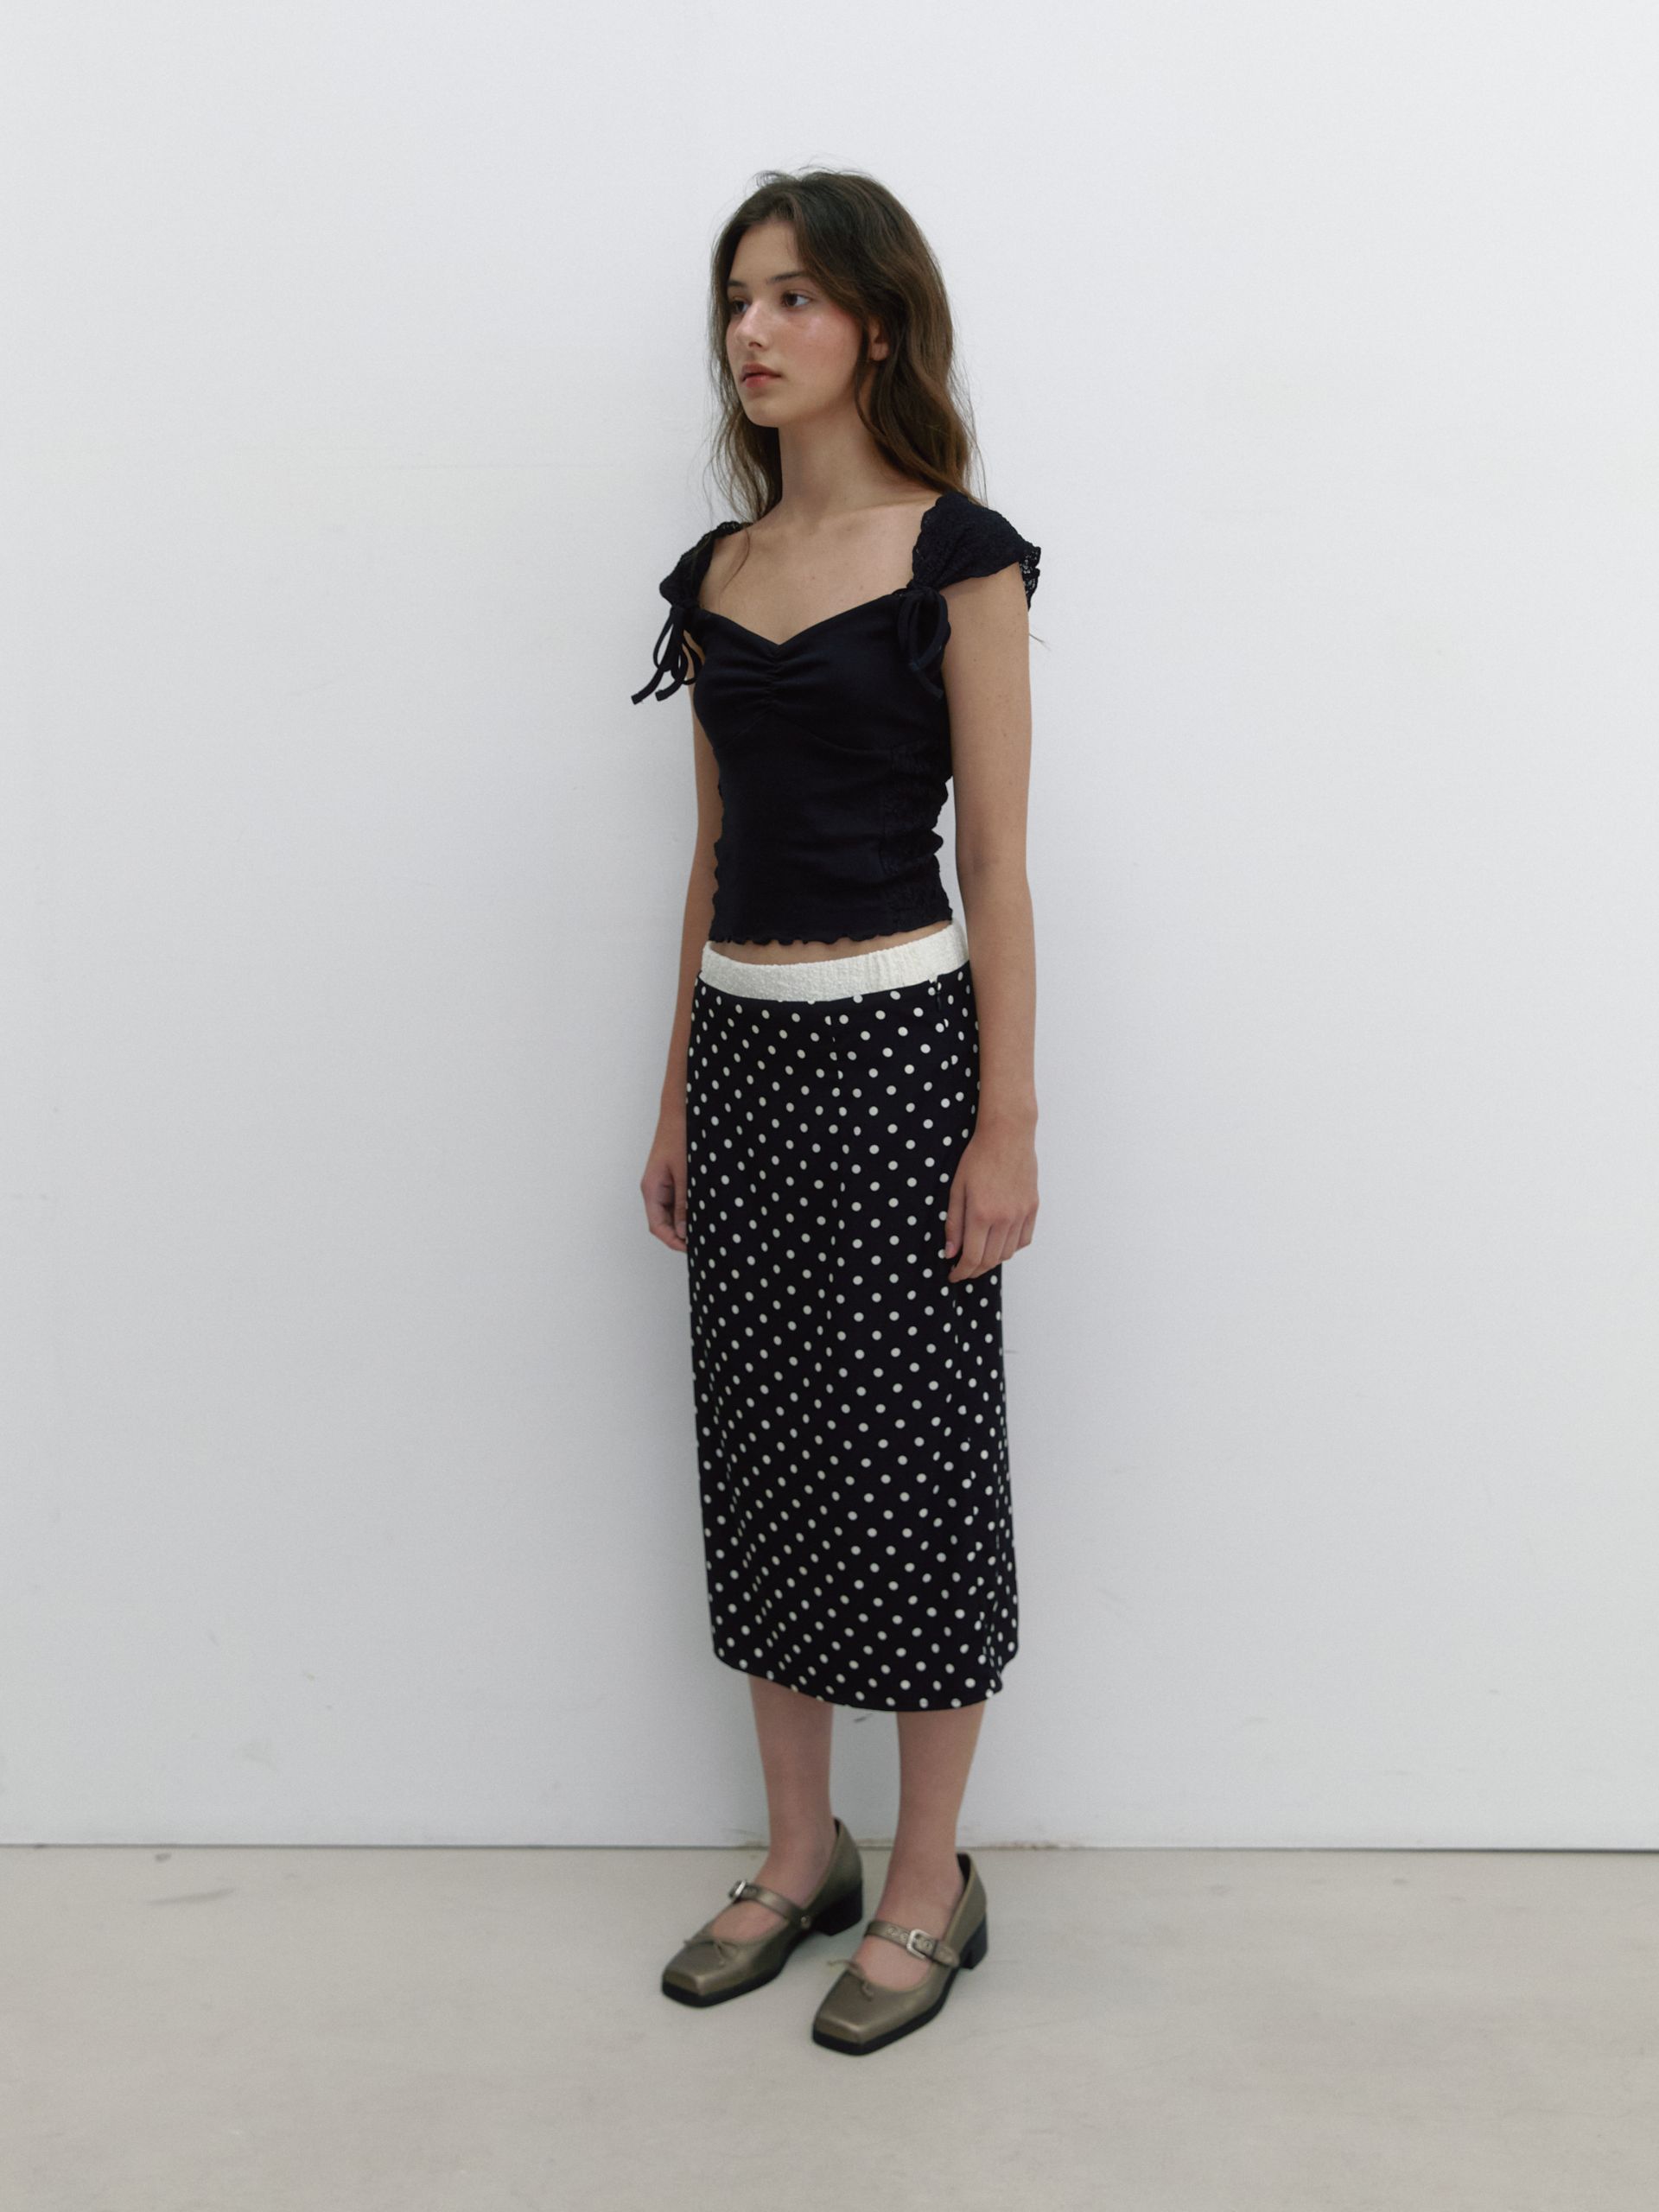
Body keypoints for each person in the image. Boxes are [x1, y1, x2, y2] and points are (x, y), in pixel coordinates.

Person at [633, 168, 1042, 2056]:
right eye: (741, 298)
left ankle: (930, 1877)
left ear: (877, 323)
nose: (756, 329)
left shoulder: (960, 555)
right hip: (748, 1063)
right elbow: (711, 858)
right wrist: (674, 1101)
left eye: (795, 295)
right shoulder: (715, 579)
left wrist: (1006, 1123)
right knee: (769, 1455)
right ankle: (799, 1853)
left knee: (918, 1465)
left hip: (898, 1056)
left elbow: (1000, 865)